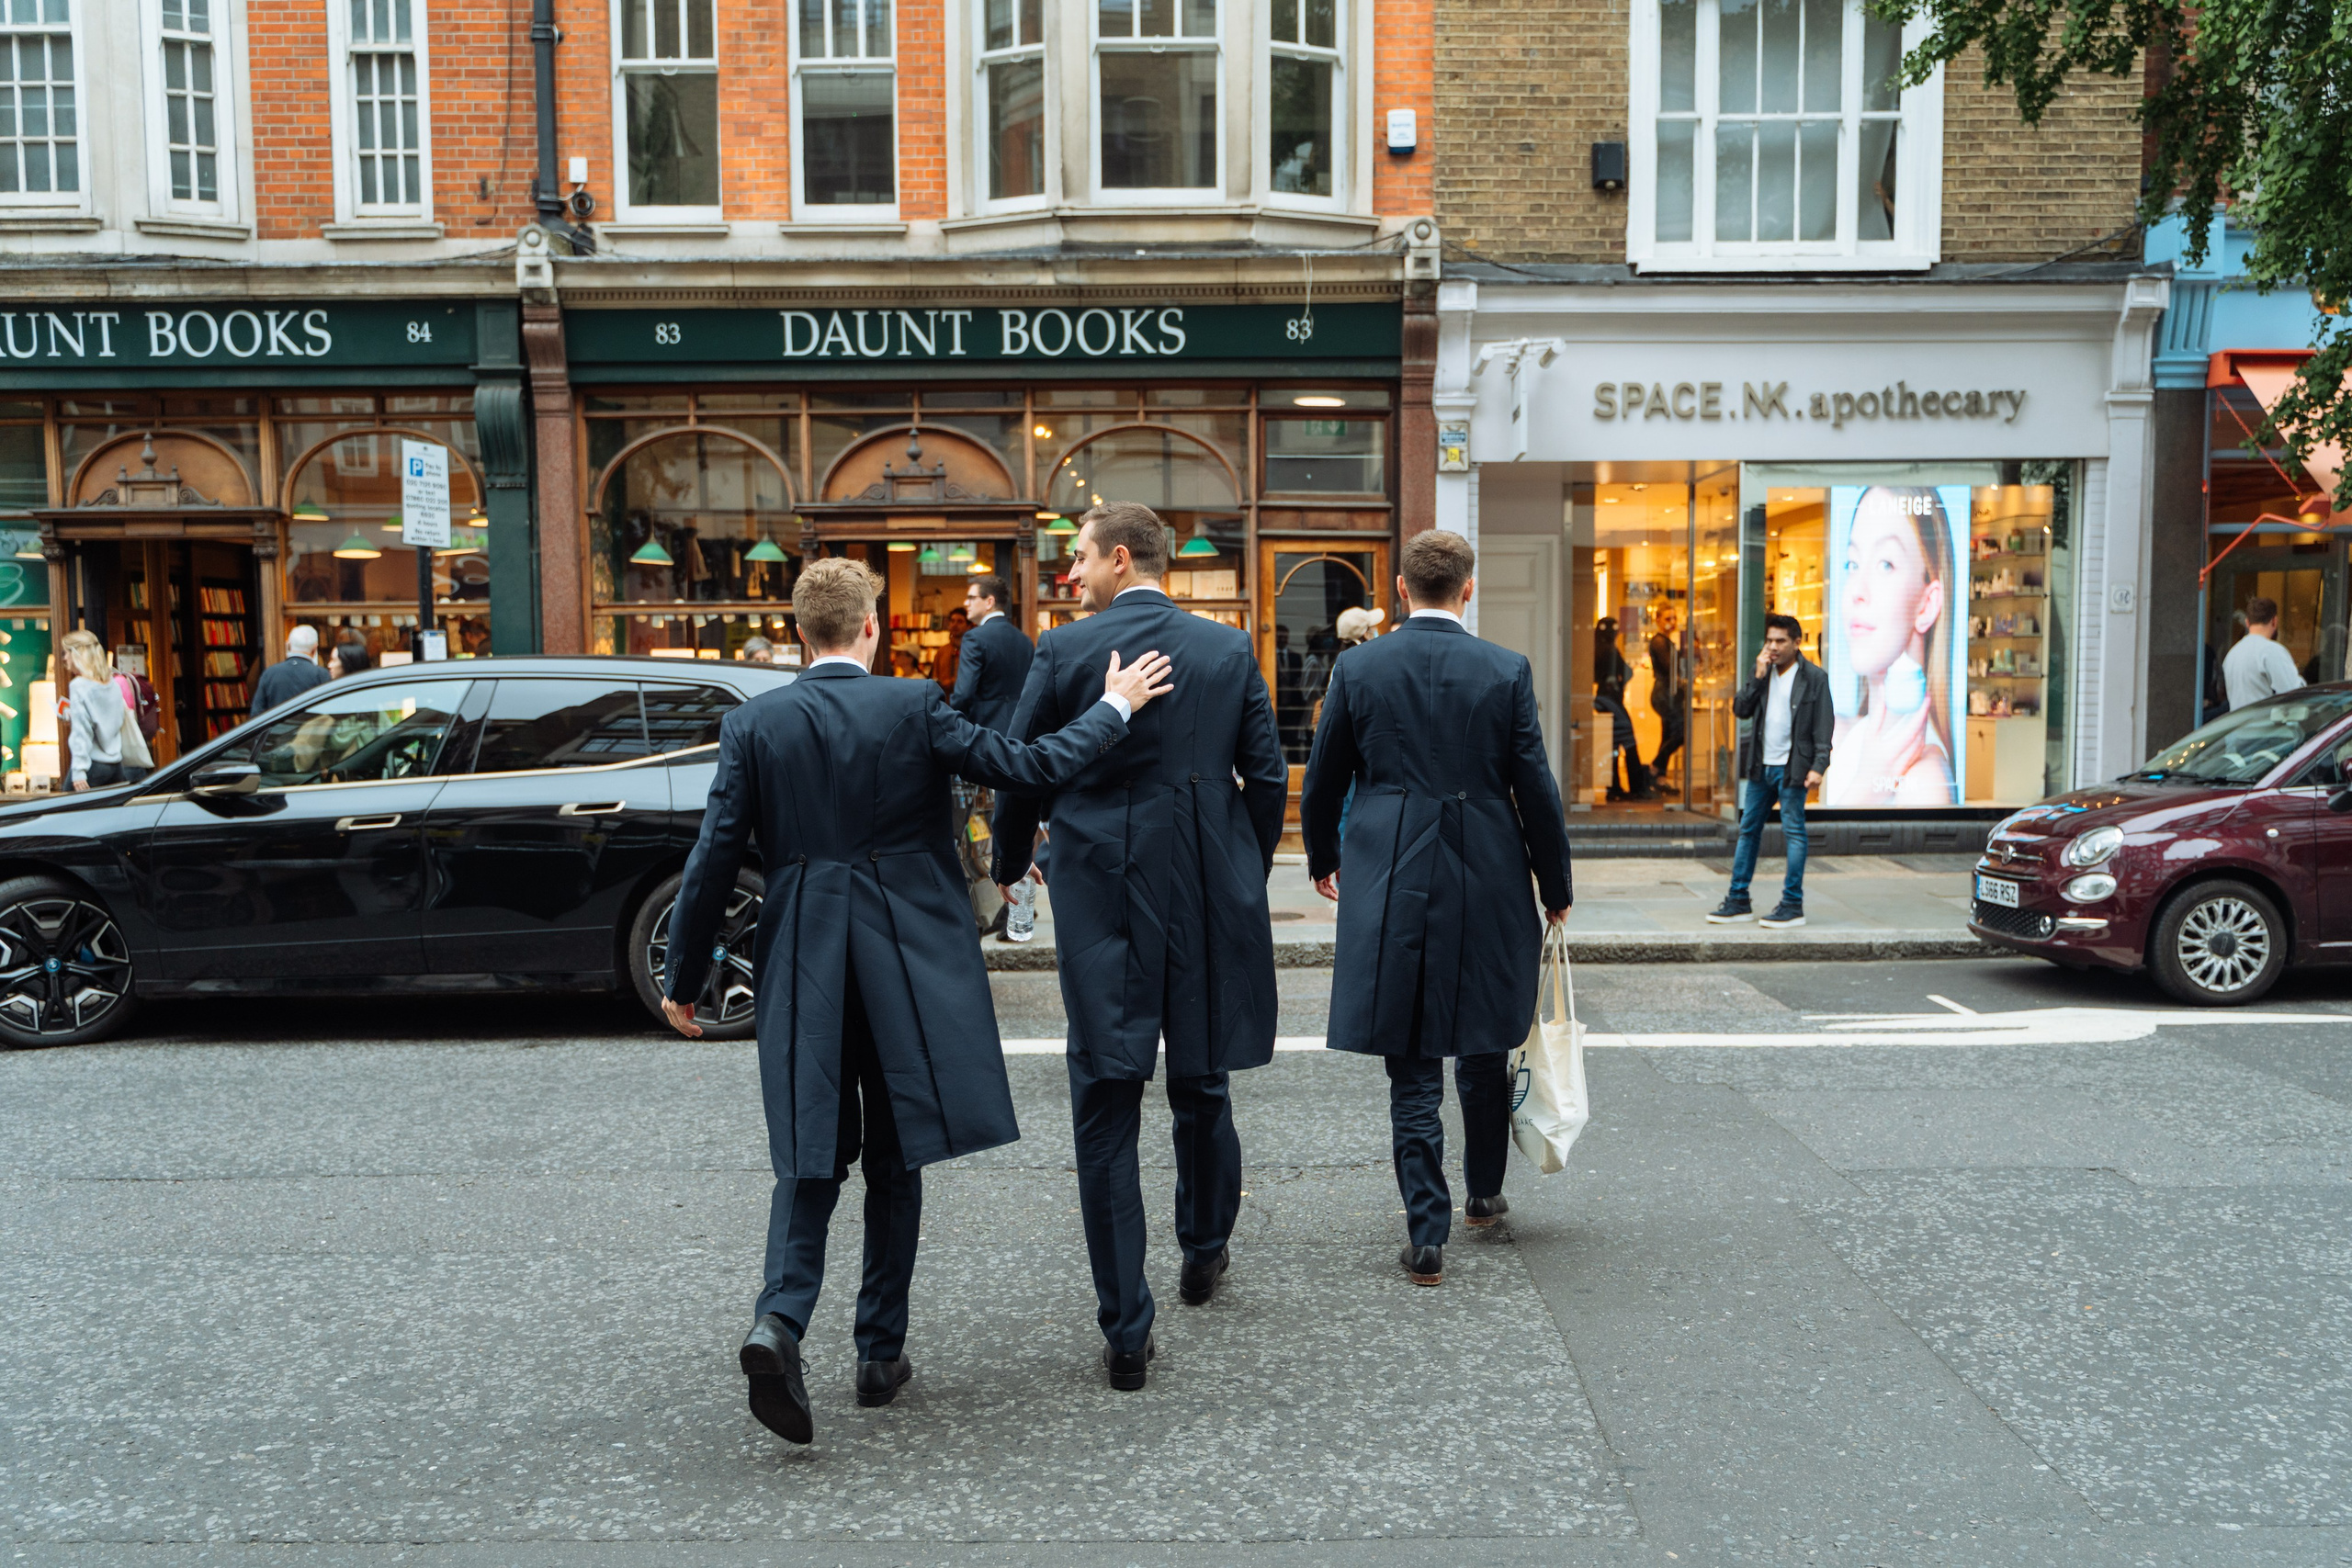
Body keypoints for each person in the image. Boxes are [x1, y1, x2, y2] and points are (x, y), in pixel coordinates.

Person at [659, 557, 1173, 1447]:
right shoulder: (911, 705)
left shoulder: (755, 723)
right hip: (903, 953)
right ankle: (876, 1353)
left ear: (799, 633)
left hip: (804, 951)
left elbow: (711, 859)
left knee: (810, 1149)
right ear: (872, 628)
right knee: (896, 1155)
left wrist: (679, 978)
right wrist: (1116, 704)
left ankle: (778, 1320)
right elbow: (1026, 764)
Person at [989, 501, 1286, 1392]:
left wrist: (1011, 863)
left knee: (1107, 1100)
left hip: (1100, 886)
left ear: (1120, 559)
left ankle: (1126, 1328)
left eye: (1077, 559)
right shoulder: (1227, 649)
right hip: (1203, 878)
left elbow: (1019, 765)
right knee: (1201, 1079)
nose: (1070, 575)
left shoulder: (1065, 651)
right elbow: (1266, 775)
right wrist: (1244, 863)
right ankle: (1203, 1249)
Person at [1300, 531, 1573, 1286]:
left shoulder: (1359, 665)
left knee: (1412, 1055)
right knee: (1484, 1039)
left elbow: (1323, 777)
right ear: (1469, 587)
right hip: (1486, 864)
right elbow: (1536, 789)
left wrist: (1323, 856)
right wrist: (1556, 888)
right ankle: (1484, 1190)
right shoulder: (1504, 668)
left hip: (1390, 865)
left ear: (1398, 587)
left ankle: (1426, 1230)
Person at [1822, 486, 1956, 806]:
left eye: (1885, 564)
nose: (1857, 590)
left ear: (1927, 603)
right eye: (1852, 564)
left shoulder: (1925, 782)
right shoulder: (1846, 736)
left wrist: (1869, 784)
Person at [1709, 614, 1834, 930]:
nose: (1773, 647)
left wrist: (1819, 766)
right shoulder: (1763, 673)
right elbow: (1740, 709)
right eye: (1769, 641)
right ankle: (1738, 900)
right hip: (1761, 768)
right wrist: (1758, 675)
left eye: (1780, 641)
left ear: (1797, 642)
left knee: (1793, 832)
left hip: (1793, 769)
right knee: (1748, 830)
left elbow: (1824, 725)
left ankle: (1792, 904)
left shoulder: (1814, 678)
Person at [951, 574, 1039, 942]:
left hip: (984, 746)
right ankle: (1017, 914)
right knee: (1012, 828)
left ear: (990, 602)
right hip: (1020, 744)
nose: (967, 603)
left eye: (972, 597)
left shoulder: (975, 639)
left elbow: (963, 696)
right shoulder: (1024, 640)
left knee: (974, 834)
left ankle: (980, 914)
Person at [61, 630, 151, 790]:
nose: (64, 658)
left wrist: (79, 771)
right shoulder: (112, 683)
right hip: (115, 764)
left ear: (76, 654)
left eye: (66, 652)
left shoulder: (79, 685)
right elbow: (112, 721)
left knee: (63, 810)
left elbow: (81, 732)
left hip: (92, 765)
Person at [1592, 618, 1647, 800]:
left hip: (1602, 699)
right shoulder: (1610, 651)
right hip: (1612, 700)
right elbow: (1627, 672)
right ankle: (1636, 787)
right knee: (1628, 741)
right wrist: (1619, 681)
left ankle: (1615, 787)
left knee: (1614, 743)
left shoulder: (1597, 649)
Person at [2222, 595, 2304, 710]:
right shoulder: (2272, 651)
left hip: (2239, 726)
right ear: (2274, 621)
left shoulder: (2232, 654)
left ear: (2247, 622)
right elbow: (2294, 694)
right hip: (2266, 726)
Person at [1646, 605, 1686, 788]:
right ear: (1658, 620)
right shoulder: (1659, 642)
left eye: (1674, 618)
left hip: (1669, 693)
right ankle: (1655, 766)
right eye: (1667, 619)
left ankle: (1659, 776)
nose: (1672, 623)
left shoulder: (1667, 641)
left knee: (1668, 734)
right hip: (1664, 694)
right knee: (1680, 733)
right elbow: (1670, 668)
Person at [252, 625, 332, 714]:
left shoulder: (270, 673)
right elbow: (330, 710)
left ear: (288, 645)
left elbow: (257, 712)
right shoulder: (321, 674)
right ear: (315, 649)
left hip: (278, 727)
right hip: (310, 727)